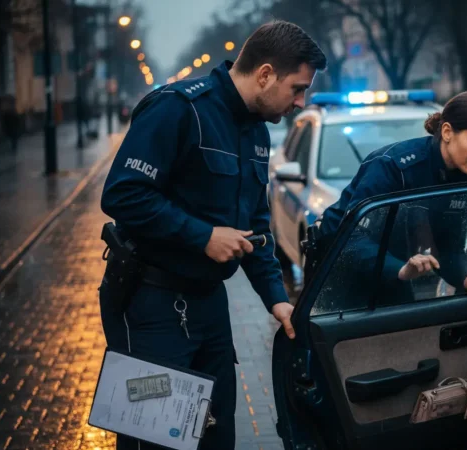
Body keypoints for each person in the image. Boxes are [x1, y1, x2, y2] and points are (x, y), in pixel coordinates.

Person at [97, 21, 326, 450]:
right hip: (151, 307)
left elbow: (257, 227)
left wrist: (276, 298)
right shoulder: (178, 109)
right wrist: (203, 236)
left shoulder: (257, 131)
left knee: (216, 435)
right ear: (265, 74)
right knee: (155, 440)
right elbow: (122, 194)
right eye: (297, 89)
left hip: (209, 308)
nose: (301, 102)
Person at [307, 91, 467, 296]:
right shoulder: (392, 166)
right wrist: (400, 269)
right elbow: (352, 238)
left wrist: (466, 276)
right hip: (339, 271)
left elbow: (449, 247)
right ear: (447, 132)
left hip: (397, 270)